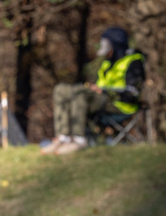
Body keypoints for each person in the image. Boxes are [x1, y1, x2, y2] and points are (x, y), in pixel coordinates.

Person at [40, 26, 146, 155]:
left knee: (80, 94)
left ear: (115, 45)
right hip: (102, 102)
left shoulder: (133, 62)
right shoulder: (107, 64)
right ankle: (63, 138)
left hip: (121, 106)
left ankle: (78, 140)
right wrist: (95, 88)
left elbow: (132, 92)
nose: (104, 49)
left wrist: (104, 91)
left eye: (107, 45)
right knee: (60, 89)